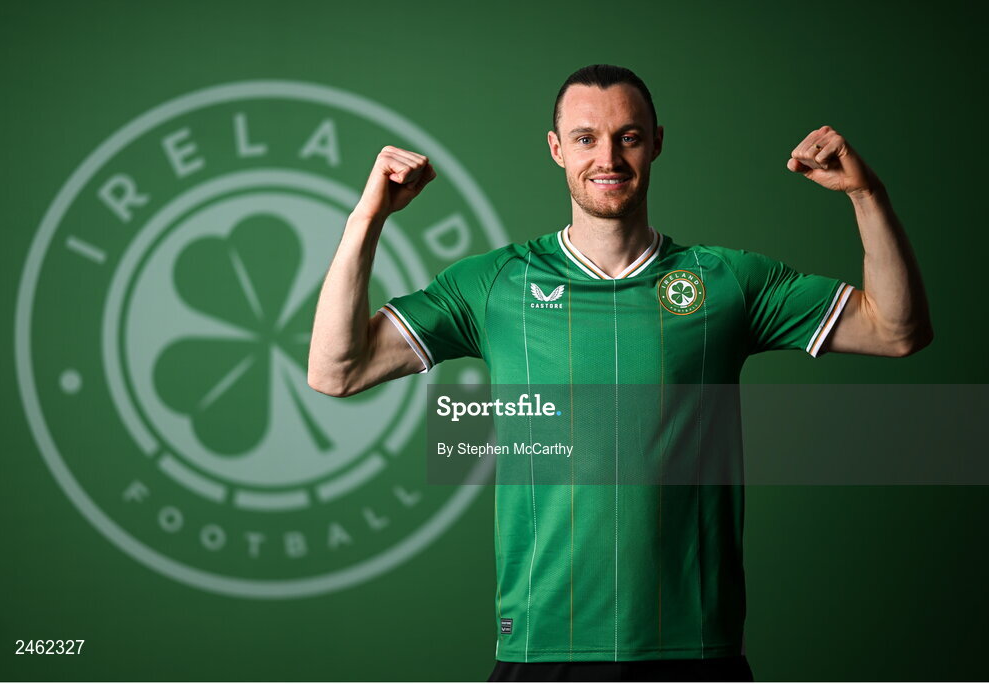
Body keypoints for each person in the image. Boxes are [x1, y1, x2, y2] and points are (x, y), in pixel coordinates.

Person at [308, 64, 932, 682]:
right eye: (585, 138)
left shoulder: (729, 282)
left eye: (627, 136)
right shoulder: (491, 284)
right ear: (556, 149)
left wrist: (865, 194)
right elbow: (338, 370)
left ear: (656, 141)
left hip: (694, 651)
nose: (607, 157)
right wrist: (367, 220)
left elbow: (896, 331)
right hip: (541, 650)